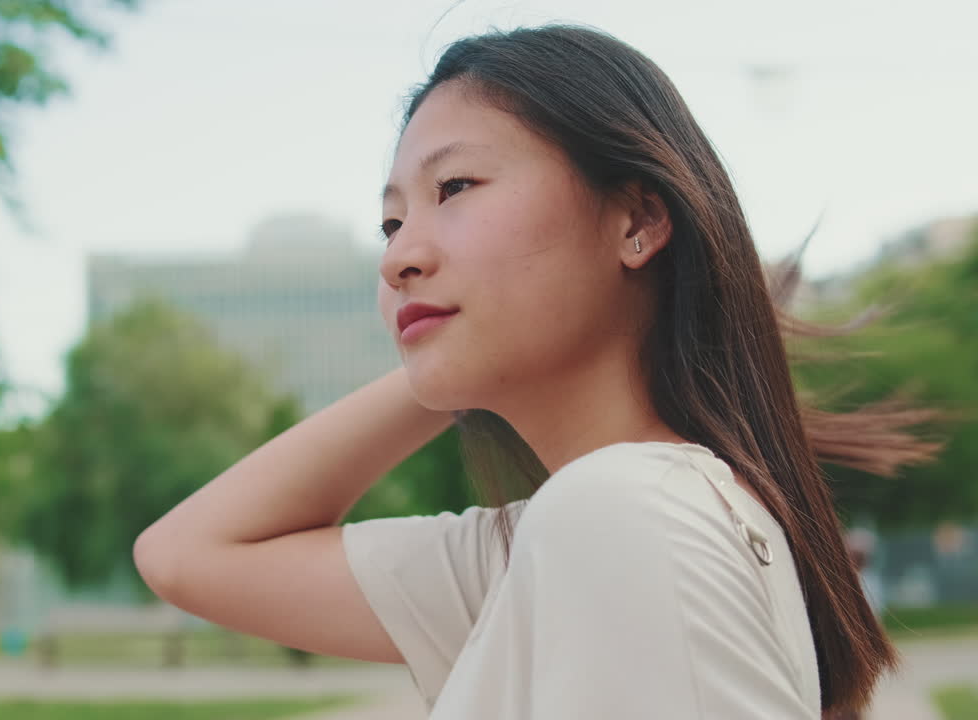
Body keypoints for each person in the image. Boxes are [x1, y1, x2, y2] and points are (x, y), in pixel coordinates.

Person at [133, 24, 936, 719]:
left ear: (639, 220)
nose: (399, 257)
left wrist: (448, 344)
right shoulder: (569, 539)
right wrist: (443, 357)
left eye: (455, 187)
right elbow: (186, 555)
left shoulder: (619, 515)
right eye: (390, 222)